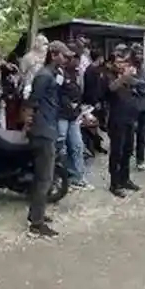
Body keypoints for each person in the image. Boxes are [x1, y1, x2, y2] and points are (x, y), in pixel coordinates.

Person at [23, 41, 72, 237]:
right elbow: (31, 102)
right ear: (53, 55)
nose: (67, 59)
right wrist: (29, 124)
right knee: (44, 178)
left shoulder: (51, 75)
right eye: (63, 55)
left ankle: (36, 214)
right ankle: (36, 224)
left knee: (42, 177)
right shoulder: (44, 76)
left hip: (47, 128)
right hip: (43, 131)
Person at [106, 55, 141, 197]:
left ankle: (125, 178)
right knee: (117, 152)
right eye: (119, 62)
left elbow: (140, 83)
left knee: (128, 150)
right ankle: (114, 183)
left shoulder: (128, 79)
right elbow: (111, 88)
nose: (122, 64)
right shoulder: (109, 76)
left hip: (129, 119)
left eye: (124, 62)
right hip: (116, 120)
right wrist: (123, 77)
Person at [57, 48, 91, 189]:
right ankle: (60, 178)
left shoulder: (77, 74)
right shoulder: (60, 73)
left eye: (77, 58)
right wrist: (67, 103)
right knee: (61, 147)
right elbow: (56, 93)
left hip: (74, 116)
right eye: (73, 58)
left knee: (77, 146)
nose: (76, 61)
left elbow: (79, 93)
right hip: (61, 115)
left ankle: (77, 177)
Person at [129, 43, 145, 173]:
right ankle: (126, 159)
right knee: (129, 135)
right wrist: (139, 85)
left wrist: (139, 85)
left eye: (140, 53)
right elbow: (130, 84)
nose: (139, 56)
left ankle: (140, 161)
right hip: (132, 106)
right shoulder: (129, 67)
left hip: (144, 106)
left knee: (142, 135)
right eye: (136, 53)